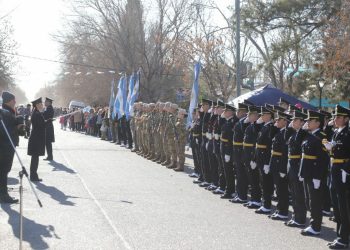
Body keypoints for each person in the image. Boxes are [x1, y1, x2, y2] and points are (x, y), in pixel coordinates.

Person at [325, 105, 350, 249]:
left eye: (338, 117)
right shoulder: (336, 132)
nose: (335, 119)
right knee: (337, 206)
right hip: (334, 170)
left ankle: (343, 238)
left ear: (346, 119)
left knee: (344, 207)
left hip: (343, 172)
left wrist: (346, 170)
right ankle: (341, 234)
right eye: (334, 116)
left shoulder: (348, 133)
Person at [300, 110, 327, 236]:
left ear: (317, 123)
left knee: (315, 201)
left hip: (314, 174)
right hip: (307, 172)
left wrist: (317, 177)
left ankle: (316, 227)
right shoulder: (309, 135)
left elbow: (322, 159)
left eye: (310, 121)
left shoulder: (322, 137)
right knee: (308, 200)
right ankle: (312, 224)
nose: (307, 122)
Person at [285, 110, 308, 227]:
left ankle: (300, 218)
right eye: (292, 120)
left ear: (302, 122)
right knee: (293, 193)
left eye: (295, 120)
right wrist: (289, 128)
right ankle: (295, 216)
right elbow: (286, 140)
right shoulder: (294, 133)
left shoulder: (303, 134)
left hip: (297, 165)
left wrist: (302, 128)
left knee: (299, 194)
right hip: (291, 164)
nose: (292, 122)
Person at [0, 91, 23, 203]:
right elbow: (6, 131)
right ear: (8, 101)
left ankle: (2, 191)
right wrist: (17, 125)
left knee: (3, 170)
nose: (15, 102)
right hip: (5, 146)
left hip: (6, 145)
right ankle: (3, 195)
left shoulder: (8, 111)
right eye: (13, 100)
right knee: (4, 170)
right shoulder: (5, 112)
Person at [28, 97, 46, 182]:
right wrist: (48, 122)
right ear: (37, 105)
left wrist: (47, 121)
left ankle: (33, 175)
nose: (42, 105)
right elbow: (40, 125)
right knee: (35, 158)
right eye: (41, 104)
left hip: (36, 138)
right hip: (36, 139)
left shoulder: (37, 113)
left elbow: (41, 124)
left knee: (35, 158)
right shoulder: (37, 114)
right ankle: (33, 176)